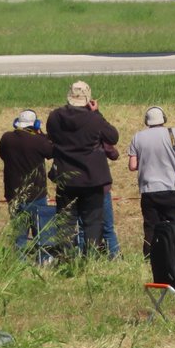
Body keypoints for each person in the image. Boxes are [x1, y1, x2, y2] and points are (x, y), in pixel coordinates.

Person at [47, 80, 119, 255]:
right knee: (93, 222)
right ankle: (91, 259)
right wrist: (98, 113)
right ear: (87, 99)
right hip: (92, 178)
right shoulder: (94, 119)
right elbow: (113, 136)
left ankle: (66, 258)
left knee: (65, 222)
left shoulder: (55, 117)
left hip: (66, 177)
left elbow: (51, 135)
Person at [127, 106, 175, 258]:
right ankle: (174, 255)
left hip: (148, 190)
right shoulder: (173, 133)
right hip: (171, 188)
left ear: (147, 121)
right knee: (172, 225)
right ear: (164, 118)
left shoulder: (138, 136)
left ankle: (150, 257)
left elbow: (132, 166)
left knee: (151, 226)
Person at [0, 109, 54, 259]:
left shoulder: (6, 139)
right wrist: (42, 134)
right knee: (41, 234)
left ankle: (18, 263)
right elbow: (52, 151)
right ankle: (43, 261)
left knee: (19, 236)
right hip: (36, 195)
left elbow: (2, 154)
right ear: (35, 124)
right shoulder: (39, 141)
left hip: (14, 194)